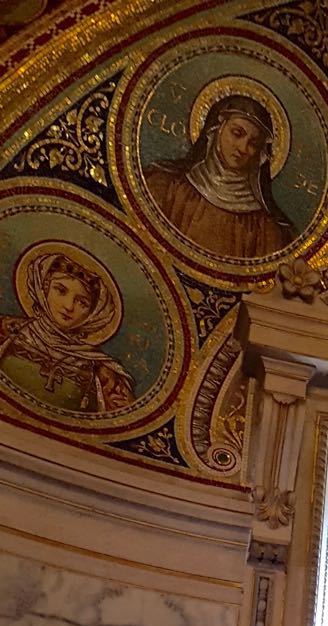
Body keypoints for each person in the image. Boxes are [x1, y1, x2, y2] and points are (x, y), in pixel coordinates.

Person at [145, 93, 295, 259]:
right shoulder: (167, 187)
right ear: (217, 129)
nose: (243, 148)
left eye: (253, 143)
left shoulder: (266, 229)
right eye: (237, 133)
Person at [0, 247, 134, 413]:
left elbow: (119, 419)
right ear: (43, 288)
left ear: (92, 314)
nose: (69, 306)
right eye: (61, 291)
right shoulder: (6, 332)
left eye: (82, 302)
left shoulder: (101, 372)